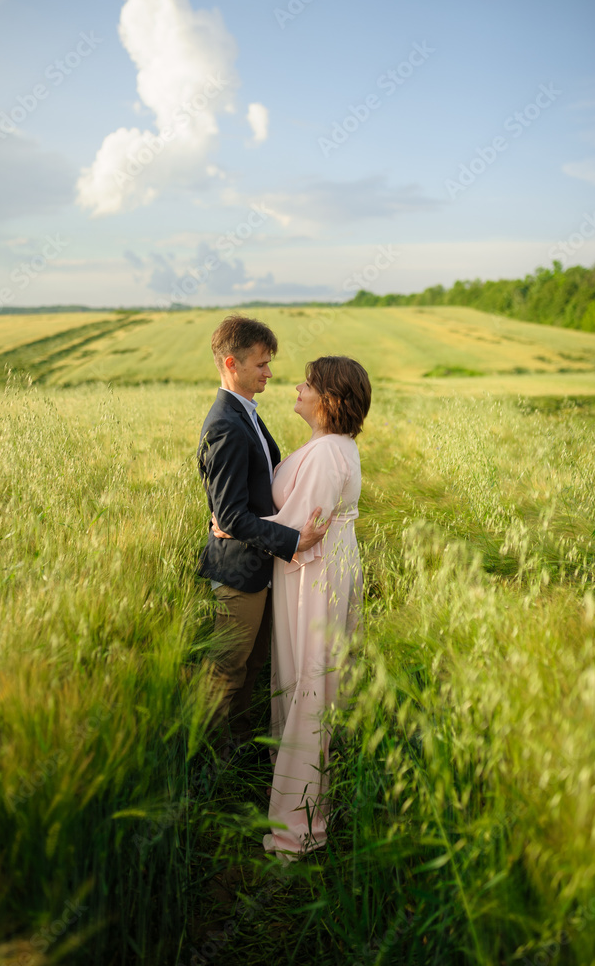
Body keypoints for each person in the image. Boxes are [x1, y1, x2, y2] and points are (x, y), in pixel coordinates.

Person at [213, 355, 371, 859]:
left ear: (330, 400)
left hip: (312, 575)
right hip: (323, 567)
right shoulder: (334, 446)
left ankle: (297, 830)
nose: (295, 389)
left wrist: (231, 523)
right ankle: (310, 797)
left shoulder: (326, 453)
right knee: (315, 682)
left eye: (307, 384)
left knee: (309, 683)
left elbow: (302, 530)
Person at [197, 315, 331, 755]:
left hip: (259, 566)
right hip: (238, 573)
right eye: (262, 364)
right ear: (232, 364)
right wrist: (293, 541)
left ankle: (237, 745)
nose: (270, 373)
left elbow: (246, 496)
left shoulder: (246, 414)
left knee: (254, 665)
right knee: (228, 670)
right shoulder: (225, 426)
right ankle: (208, 761)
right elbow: (231, 514)